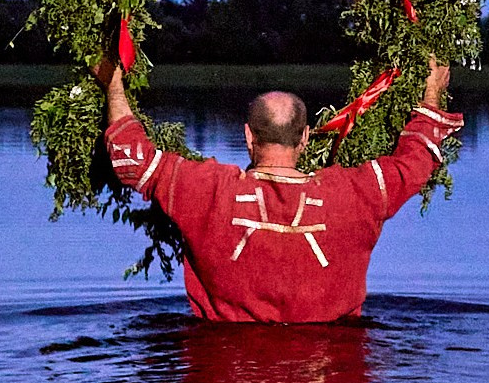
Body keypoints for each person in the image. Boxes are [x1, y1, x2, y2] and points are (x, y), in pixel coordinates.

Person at [95, 56, 462, 323]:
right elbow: (416, 161)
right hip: (329, 377)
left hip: (228, 381)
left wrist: (113, 84)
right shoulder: (354, 193)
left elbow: (132, 159)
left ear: (248, 136)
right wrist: (432, 92)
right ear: (305, 138)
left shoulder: (205, 189)